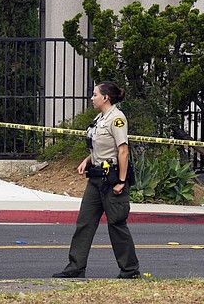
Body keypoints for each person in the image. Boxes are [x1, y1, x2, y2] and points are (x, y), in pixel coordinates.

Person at [53, 81, 140, 279]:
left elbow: (123, 150)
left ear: (105, 97)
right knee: (84, 223)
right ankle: (75, 267)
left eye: (94, 95)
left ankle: (130, 270)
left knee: (116, 224)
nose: (92, 98)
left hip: (112, 180)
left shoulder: (117, 118)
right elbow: (100, 147)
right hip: (95, 179)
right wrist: (86, 160)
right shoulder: (99, 118)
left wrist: (122, 181)